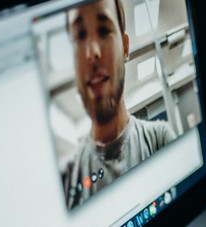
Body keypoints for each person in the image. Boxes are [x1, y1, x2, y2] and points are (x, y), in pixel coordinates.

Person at [63, 0, 176, 210]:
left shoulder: (160, 140)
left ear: (125, 46)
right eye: (80, 36)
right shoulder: (66, 180)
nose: (92, 53)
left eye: (104, 30)